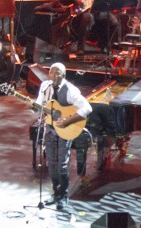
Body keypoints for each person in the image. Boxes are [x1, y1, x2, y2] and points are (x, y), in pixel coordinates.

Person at [35, 62, 92, 210]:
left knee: (62, 164)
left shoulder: (71, 90)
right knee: (51, 163)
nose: (53, 76)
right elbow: (39, 106)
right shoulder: (45, 87)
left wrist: (68, 120)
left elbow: (87, 107)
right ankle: (56, 193)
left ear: (64, 75)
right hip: (49, 130)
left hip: (65, 130)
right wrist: (34, 107)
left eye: (57, 73)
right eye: (51, 73)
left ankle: (63, 195)